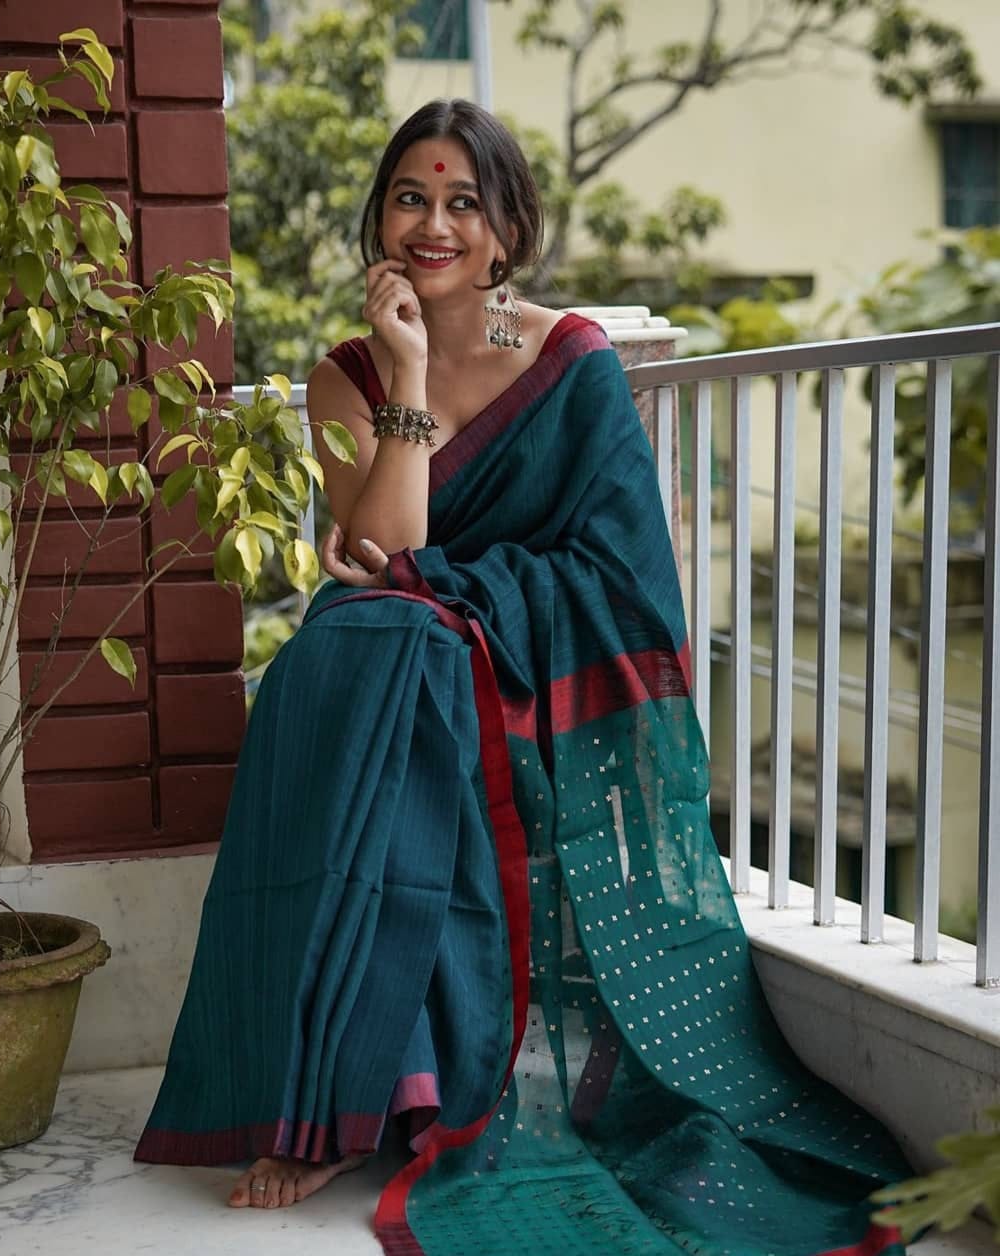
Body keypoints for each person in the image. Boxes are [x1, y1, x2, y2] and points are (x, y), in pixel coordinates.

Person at [136, 99, 913, 1255]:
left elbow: (622, 578)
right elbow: (390, 544)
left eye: (463, 202)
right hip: (413, 650)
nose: (434, 223)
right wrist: (405, 366)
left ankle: (375, 1082)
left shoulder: (568, 360)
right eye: (412, 197)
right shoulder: (345, 377)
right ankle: (337, 1091)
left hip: (528, 657)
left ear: (507, 231)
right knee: (345, 650)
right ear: (380, 218)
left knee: (400, 644)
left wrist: (457, 602)